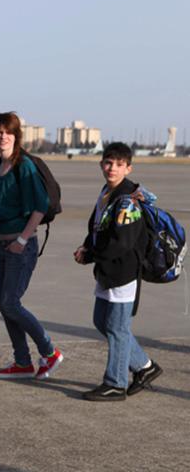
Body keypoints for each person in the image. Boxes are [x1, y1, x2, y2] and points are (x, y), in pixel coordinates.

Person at [74, 142, 162, 401]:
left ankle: (115, 383)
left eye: (119, 164)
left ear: (128, 168)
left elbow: (121, 242)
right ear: (102, 164)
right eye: (108, 162)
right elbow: (98, 227)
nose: (112, 168)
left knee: (117, 328)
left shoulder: (128, 200)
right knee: (102, 321)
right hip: (107, 269)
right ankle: (146, 366)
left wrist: (92, 255)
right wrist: (87, 246)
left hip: (123, 272)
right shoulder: (107, 192)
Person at [0, 112, 63, 380]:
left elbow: (39, 207)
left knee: (11, 303)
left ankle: (49, 352)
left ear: (17, 136)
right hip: (2, 245)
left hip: (20, 246)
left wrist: (22, 240)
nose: (3, 136)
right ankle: (23, 362)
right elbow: (1, 202)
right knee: (5, 305)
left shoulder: (23, 165)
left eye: (9, 132)